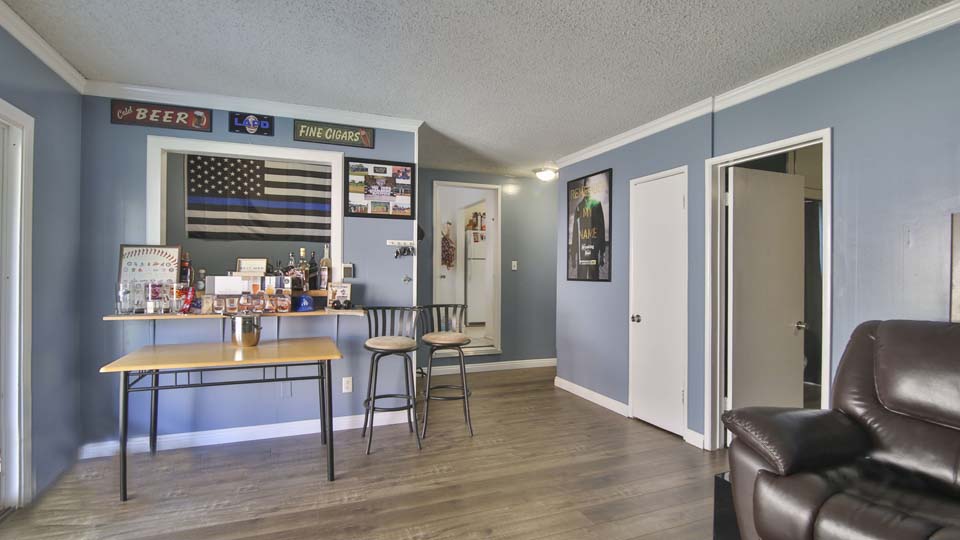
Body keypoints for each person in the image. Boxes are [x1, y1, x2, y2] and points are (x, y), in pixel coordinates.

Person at [571, 181, 606, 280]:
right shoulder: (579, 207)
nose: (587, 190)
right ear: (583, 190)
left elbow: (601, 229)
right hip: (581, 251)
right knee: (580, 279)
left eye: (588, 188)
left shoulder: (597, 204)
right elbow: (575, 232)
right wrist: (573, 256)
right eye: (585, 188)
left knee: (594, 278)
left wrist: (602, 253)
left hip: (593, 249)